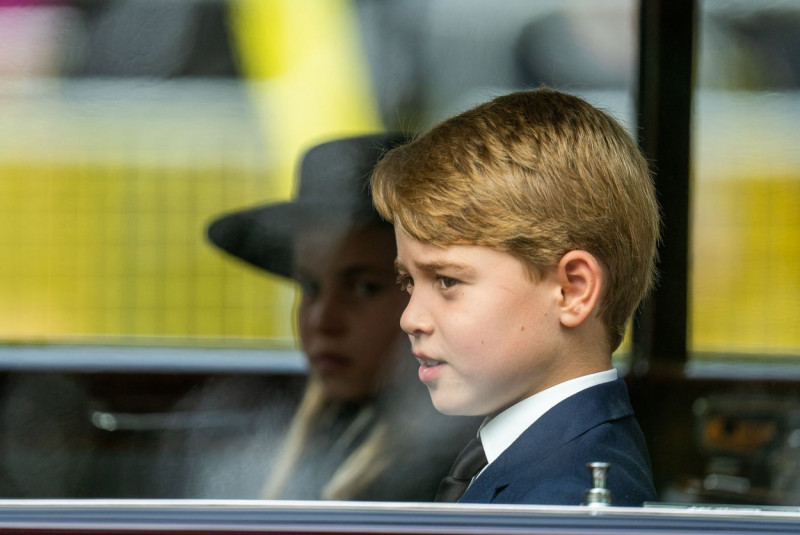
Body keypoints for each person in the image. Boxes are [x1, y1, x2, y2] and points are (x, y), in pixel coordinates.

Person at [369, 88, 660, 506]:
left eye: (447, 281)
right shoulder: (538, 464)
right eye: (408, 283)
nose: (411, 318)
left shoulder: (564, 503)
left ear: (572, 290)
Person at [176, 133, 476, 501]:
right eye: (310, 287)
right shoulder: (289, 431)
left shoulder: (445, 467)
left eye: (364, 287)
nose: (323, 321)